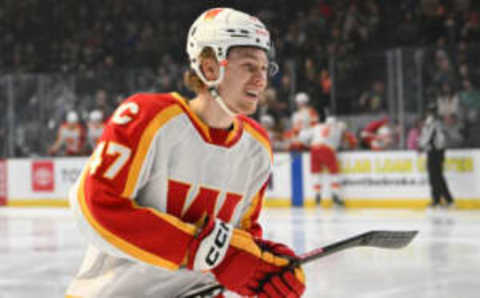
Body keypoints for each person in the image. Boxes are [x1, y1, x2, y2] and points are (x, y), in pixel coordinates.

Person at [66, 8, 305, 298]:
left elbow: (237, 238)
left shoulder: (256, 147)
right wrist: (206, 250)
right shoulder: (148, 117)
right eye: (249, 66)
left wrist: (260, 265)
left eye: (265, 69)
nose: (261, 80)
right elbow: (97, 208)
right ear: (209, 68)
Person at [299, 116, 357, 206]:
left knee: (316, 173)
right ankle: (335, 195)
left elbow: (302, 137)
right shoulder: (338, 126)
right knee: (334, 172)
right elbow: (346, 132)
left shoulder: (317, 127)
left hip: (314, 149)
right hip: (327, 149)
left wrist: (309, 144)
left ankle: (317, 194)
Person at [418, 103, 455, 209]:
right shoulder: (438, 121)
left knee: (435, 177)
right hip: (438, 151)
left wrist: (421, 146)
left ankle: (439, 200)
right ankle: (445, 200)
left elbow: (428, 135)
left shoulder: (432, 121)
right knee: (438, 177)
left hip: (434, 151)